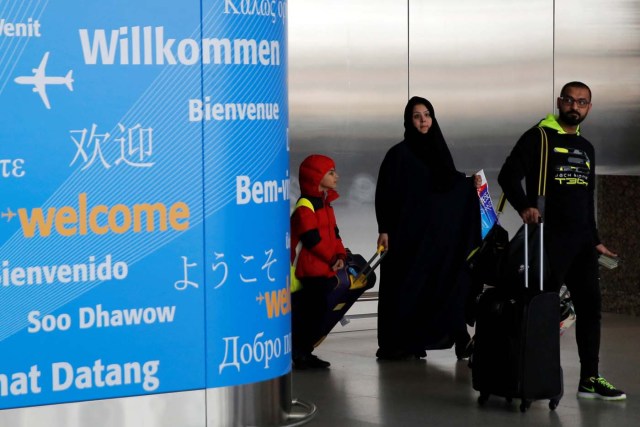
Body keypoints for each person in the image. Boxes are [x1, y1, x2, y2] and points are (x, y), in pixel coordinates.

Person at [497, 81, 626, 400]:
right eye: (570, 100)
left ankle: (590, 379)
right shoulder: (539, 137)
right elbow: (508, 175)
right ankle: (529, 377)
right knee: (541, 310)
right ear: (559, 101)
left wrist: (595, 240)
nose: (575, 107)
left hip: (582, 244)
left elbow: (587, 197)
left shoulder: (586, 148)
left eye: (582, 103)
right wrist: (525, 205)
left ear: (589, 108)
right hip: (548, 239)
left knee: (590, 308)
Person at [374, 96, 481, 360]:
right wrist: (384, 229)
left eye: (427, 115)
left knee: (446, 281)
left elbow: (448, 184)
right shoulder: (398, 154)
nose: (423, 121)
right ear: (408, 121)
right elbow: (385, 194)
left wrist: (470, 183)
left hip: (437, 237)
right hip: (407, 237)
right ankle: (403, 344)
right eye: (416, 116)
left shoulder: (438, 150)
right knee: (408, 289)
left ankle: (459, 336)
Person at [290, 154, 347, 370]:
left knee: (315, 310)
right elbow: (311, 239)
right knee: (312, 311)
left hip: (324, 268)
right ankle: (300, 351)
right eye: (330, 172)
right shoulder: (306, 205)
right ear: (316, 177)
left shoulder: (326, 203)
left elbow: (335, 233)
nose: (336, 176)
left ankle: (304, 351)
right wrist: (333, 257)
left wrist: (340, 255)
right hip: (311, 270)